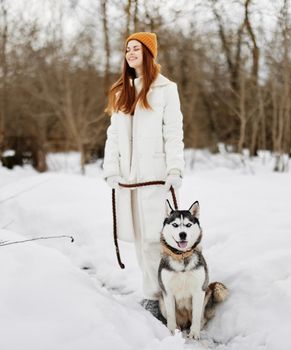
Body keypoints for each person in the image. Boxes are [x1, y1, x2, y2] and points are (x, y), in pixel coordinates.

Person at [102, 32, 185, 318]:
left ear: (149, 53)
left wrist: (175, 168)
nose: (130, 53)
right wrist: (111, 169)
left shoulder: (165, 89)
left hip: (156, 177)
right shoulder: (120, 91)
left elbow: (174, 132)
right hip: (128, 178)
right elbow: (113, 135)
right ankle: (153, 296)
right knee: (140, 239)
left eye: (136, 48)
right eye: (127, 49)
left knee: (156, 239)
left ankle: (165, 298)